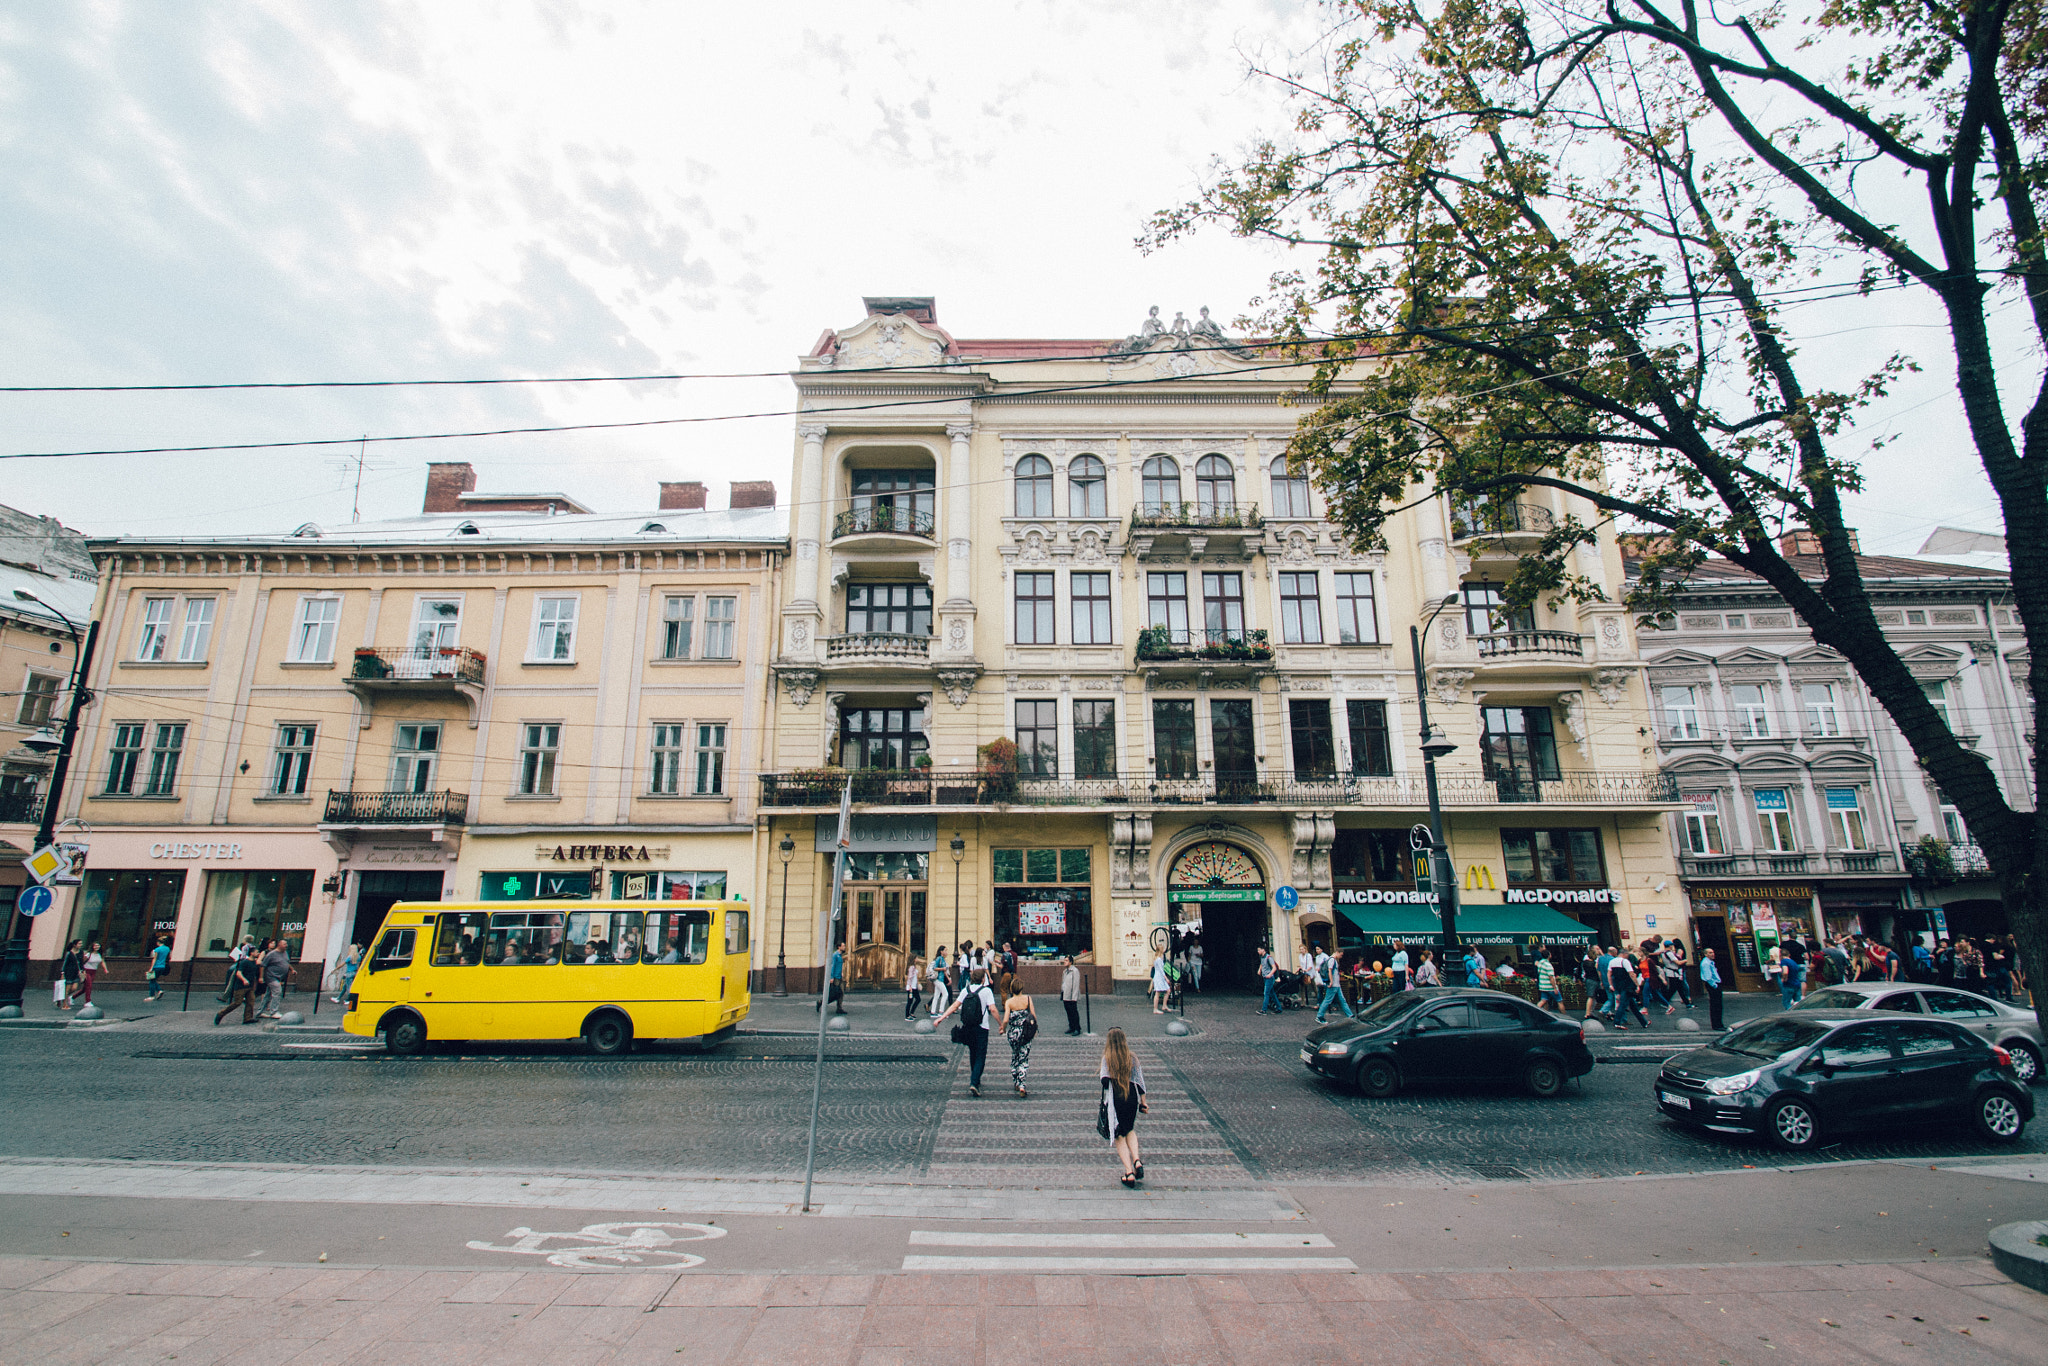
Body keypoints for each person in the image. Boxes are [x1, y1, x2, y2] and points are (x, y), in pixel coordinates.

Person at [933, 966, 997, 1097]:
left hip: (968, 1026)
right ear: (983, 978)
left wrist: (941, 1018)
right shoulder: (986, 991)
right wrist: (1001, 1024)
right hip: (982, 1027)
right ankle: (974, 1081)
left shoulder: (965, 990)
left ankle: (975, 1078)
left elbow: (955, 1005)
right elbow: (993, 1009)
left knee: (973, 1053)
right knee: (980, 1055)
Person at [1099, 1026, 1148, 1188]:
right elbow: (1139, 1081)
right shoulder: (1132, 1057)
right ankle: (1137, 1160)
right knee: (1130, 1130)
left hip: (1116, 1098)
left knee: (1119, 1134)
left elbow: (1104, 1080)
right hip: (1131, 1097)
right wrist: (1143, 1102)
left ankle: (1129, 1172)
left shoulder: (1107, 1058)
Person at [1000, 978, 1037, 1097]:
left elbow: (1005, 1019)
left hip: (1014, 1034)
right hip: (1026, 1033)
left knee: (1015, 1055)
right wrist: (1035, 1028)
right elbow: (1033, 1015)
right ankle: (1022, 1084)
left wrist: (1003, 1028)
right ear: (1021, 988)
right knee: (1024, 1057)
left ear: (1011, 989)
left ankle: (1015, 1079)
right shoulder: (1027, 999)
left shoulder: (1009, 1002)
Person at [214, 950, 263, 1026]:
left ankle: (247, 1018)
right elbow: (239, 973)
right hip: (241, 986)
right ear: (251, 953)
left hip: (250, 986)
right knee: (237, 1002)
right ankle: (221, 1013)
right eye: (256, 952)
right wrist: (244, 980)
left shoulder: (255, 963)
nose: (258, 953)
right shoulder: (244, 962)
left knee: (250, 1002)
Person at [1607, 950, 1648, 1029]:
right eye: (1627, 955)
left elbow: (1609, 974)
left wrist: (1610, 985)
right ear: (1624, 954)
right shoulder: (1625, 961)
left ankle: (1644, 1022)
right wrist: (1637, 985)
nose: (1628, 956)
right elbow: (1631, 974)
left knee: (1633, 1005)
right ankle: (1617, 1022)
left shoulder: (1612, 961)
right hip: (1627, 985)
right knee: (1623, 1004)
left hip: (1618, 985)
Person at [1314, 945, 1354, 1022]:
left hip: (1336, 984)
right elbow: (1330, 971)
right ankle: (1319, 1016)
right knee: (1327, 1000)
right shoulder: (1332, 960)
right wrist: (1331, 981)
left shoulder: (1331, 959)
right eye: (1341, 955)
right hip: (1334, 984)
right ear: (1337, 952)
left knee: (1342, 1000)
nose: (1341, 956)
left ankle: (1350, 1015)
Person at [259, 939, 292, 1019]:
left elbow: (286, 962)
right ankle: (274, 1011)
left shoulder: (285, 953)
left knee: (268, 995)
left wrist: (292, 969)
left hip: (279, 977)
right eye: (284, 944)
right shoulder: (271, 954)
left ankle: (260, 1012)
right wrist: (261, 977)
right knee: (277, 991)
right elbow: (263, 965)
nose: (286, 945)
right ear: (279, 945)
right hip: (271, 976)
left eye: (286, 944)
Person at [1699, 947, 1725, 1030]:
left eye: (1713, 952)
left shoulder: (1710, 962)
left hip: (1715, 984)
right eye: (1710, 953)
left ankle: (1719, 1024)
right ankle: (1717, 1025)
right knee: (1715, 1005)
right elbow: (1708, 977)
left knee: (1718, 1005)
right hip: (1713, 985)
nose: (1712, 954)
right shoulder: (1706, 963)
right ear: (1705, 954)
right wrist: (1715, 985)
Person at [818, 941, 846, 1015]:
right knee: (833, 994)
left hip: (839, 977)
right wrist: (831, 977)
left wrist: (841, 973)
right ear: (839, 947)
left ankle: (839, 1008)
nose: (844, 947)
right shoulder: (835, 955)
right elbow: (832, 966)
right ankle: (821, 1002)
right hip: (835, 977)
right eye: (843, 946)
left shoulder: (840, 955)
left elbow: (839, 966)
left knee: (841, 993)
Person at [72, 941, 104, 1008]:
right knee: (89, 985)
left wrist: (105, 969)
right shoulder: (88, 954)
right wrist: (82, 970)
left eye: (98, 946)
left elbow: (102, 962)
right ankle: (88, 1001)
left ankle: (72, 997)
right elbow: (82, 962)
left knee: (85, 988)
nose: (97, 947)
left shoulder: (99, 954)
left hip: (93, 971)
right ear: (92, 946)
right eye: (95, 946)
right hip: (87, 971)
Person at [143, 935, 171, 1002]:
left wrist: (151, 968)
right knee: (154, 980)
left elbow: (154, 959)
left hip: (156, 966)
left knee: (152, 981)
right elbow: (169, 957)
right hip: (163, 966)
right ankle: (159, 990)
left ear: (158, 942)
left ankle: (151, 996)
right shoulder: (167, 949)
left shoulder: (157, 949)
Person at [56, 940, 84, 1010]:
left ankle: (60, 998)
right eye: (79, 943)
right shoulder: (69, 953)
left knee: (74, 988)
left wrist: (83, 970)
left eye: (81, 943)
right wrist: (62, 972)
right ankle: (64, 1004)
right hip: (69, 972)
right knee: (67, 989)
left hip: (76, 973)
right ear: (75, 945)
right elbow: (65, 963)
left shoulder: (81, 952)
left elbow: (81, 962)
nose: (81, 945)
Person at [1059, 956, 1083, 1035]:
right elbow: (1064, 982)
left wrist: (1074, 997)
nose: (1064, 962)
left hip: (1072, 995)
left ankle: (1077, 1028)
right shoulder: (1065, 971)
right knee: (1068, 1012)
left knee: (1074, 1012)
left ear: (1070, 962)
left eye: (1066, 960)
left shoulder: (1075, 971)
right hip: (1065, 994)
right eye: (1064, 960)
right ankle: (1071, 1027)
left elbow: (1076, 985)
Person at [1257, 944, 1280, 1014]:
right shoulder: (1262, 957)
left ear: (1263, 950)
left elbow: (1274, 967)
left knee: (1266, 993)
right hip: (1265, 977)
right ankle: (1279, 1008)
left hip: (1269, 978)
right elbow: (1262, 964)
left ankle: (1264, 1010)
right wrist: (1259, 970)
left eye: (1259, 950)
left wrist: (1270, 975)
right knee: (1272, 993)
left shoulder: (1269, 958)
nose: (1258, 951)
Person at [1150, 948, 1172, 1014]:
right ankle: (1155, 1009)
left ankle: (1164, 1005)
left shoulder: (1156, 958)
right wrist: (1166, 978)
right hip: (1159, 977)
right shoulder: (1159, 959)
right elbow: (1161, 970)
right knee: (1157, 993)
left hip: (1159, 977)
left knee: (1168, 990)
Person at [904, 955, 924, 1020]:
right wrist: (910, 987)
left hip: (914, 987)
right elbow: (909, 978)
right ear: (914, 959)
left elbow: (915, 977)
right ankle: (907, 1016)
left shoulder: (914, 967)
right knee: (910, 1001)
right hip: (911, 988)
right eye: (917, 958)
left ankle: (911, 1013)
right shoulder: (911, 967)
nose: (918, 958)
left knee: (918, 999)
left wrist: (918, 984)